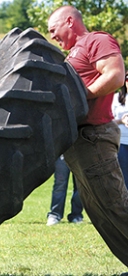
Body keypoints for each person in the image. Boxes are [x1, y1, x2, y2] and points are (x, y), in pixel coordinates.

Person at [48, 5, 128, 267]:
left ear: (69, 21)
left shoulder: (97, 40)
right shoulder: (71, 56)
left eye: (54, 29)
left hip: (94, 137)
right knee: (101, 214)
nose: (52, 36)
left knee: (116, 205)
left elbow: (115, 76)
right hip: (77, 144)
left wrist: (81, 97)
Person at [46, 155, 83, 226]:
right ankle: (55, 215)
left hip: (78, 153)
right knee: (60, 184)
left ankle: (77, 215)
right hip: (62, 154)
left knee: (80, 185)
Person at [112, 73, 128, 189]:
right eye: (127, 79)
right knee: (123, 178)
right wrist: (122, 120)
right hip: (121, 143)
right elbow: (108, 120)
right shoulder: (116, 98)